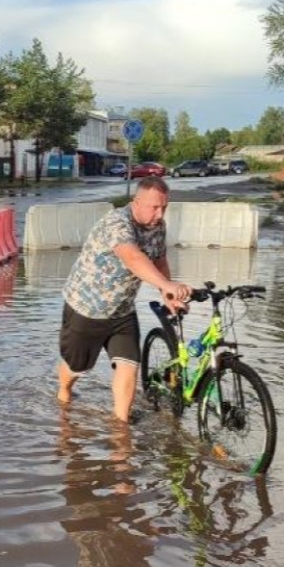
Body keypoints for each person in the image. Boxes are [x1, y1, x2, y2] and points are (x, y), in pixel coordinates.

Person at [56, 176, 193, 422]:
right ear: (136, 202)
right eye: (154, 207)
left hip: (122, 311)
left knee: (129, 366)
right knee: (77, 368)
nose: (160, 214)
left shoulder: (157, 227)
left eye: (164, 207)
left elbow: (158, 261)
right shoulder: (117, 223)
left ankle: (120, 427)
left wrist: (167, 294)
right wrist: (165, 284)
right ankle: (64, 391)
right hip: (87, 309)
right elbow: (133, 258)